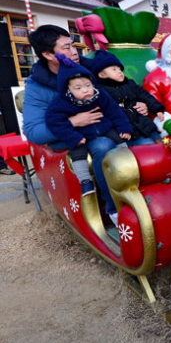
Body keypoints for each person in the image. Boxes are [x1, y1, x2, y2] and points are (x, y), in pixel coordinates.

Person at [23, 25, 122, 224]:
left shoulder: (91, 69)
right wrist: (72, 122)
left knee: (139, 135)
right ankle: (116, 210)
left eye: (73, 45)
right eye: (66, 48)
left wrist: (136, 102)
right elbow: (33, 131)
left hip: (105, 125)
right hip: (74, 138)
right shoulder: (37, 86)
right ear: (48, 54)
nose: (74, 51)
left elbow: (123, 89)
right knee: (103, 146)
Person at [45, 54, 132, 222]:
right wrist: (73, 136)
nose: (85, 90)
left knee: (121, 142)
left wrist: (124, 128)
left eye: (88, 85)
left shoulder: (99, 95)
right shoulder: (61, 103)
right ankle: (85, 181)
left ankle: (128, 166)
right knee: (78, 152)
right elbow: (54, 122)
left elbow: (115, 111)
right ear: (67, 90)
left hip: (104, 127)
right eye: (78, 88)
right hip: (83, 134)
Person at [89, 50, 164, 146]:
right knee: (141, 147)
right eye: (114, 69)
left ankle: (160, 145)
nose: (120, 72)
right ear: (102, 75)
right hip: (123, 130)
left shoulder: (129, 84)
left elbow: (144, 95)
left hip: (141, 123)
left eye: (120, 69)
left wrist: (157, 108)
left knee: (155, 142)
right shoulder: (101, 91)